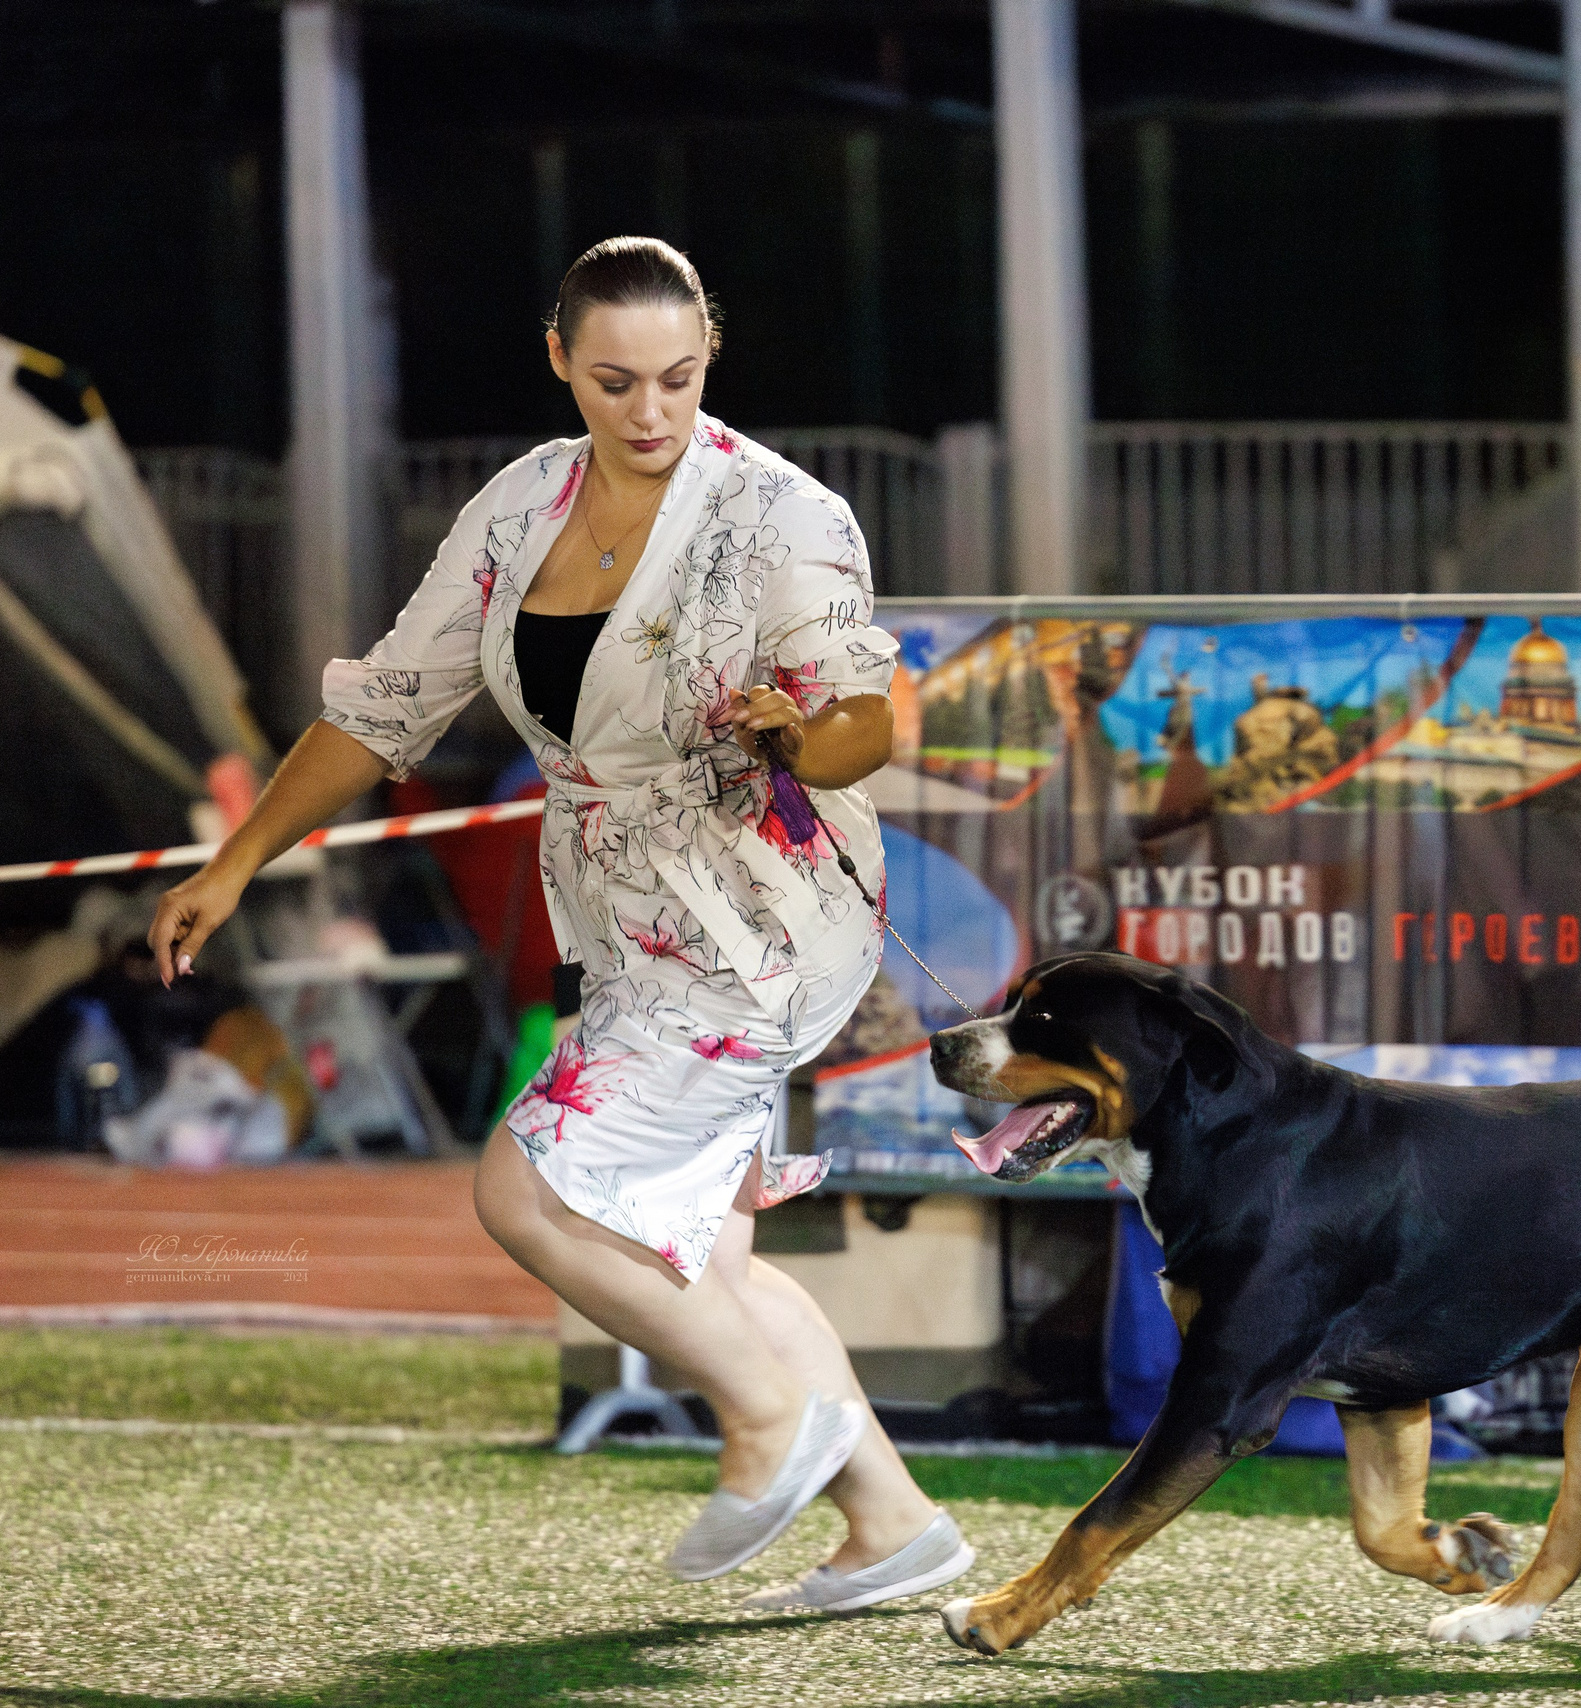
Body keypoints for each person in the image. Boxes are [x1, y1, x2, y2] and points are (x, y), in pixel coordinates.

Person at [146, 236, 972, 1613]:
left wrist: (805, 729)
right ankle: (892, 1523)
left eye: (677, 378)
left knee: (524, 1189)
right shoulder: (517, 507)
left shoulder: (786, 516)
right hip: (610, 903)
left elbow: (864, 727)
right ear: (558, 363)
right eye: (613, 382)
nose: (649, 413)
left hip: (760, 911)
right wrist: (237, 862)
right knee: (693, 1254)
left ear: (709, 357)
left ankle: (772, 1415)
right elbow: (384, 708)